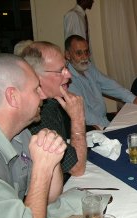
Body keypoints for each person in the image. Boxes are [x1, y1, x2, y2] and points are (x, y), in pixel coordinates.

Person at [0, 54, 68, 218]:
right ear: (13, 97)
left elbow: (50, 195)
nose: (43, 96)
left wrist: (50, 156)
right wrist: (42, 169)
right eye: (36, 89)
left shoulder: (19, 132)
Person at [21, 41, 87, 178]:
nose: (69, 75)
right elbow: (77, 168)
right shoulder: (36, 116)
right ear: (36, 77)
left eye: (66, 67)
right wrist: (78, 119)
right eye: (60, 71)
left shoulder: (51, 101)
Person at [65, 35, 137, 129]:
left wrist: (133, 99)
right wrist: (110, 126)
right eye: (79, 53)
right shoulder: (67, 81)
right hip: (90, 127)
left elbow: (109, 84)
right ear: (68, 55)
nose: (84, 57)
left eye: (86, 52)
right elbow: (86, 116)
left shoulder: (89, 67)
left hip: (103, 120)